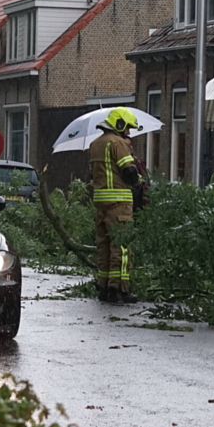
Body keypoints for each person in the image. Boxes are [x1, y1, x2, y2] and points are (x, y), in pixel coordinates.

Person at [90, 108, 142, 304]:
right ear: (119, 124)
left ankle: (103, 286)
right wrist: (139, 182)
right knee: (122, 247)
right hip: (119, 203)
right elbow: (129, 172)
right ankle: (120, 288)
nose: (128, 132)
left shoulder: (95, 144)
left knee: (104, 247)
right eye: (127, 128)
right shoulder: (117, 143)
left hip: (101, 204)